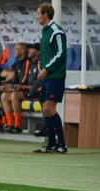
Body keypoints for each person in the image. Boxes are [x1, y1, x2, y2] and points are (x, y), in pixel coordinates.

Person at [33, 2, 67, 154]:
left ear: (46, 15)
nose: (37, 16)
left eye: (39, 13)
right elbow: (49, 52)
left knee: (49, 108)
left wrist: (46, 69)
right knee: (45, 109)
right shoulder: (45, 31)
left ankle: (62, 144)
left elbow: (61, 54)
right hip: (47, 76)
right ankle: (51, 143)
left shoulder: (56, 31)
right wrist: (41, 61)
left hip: (55, 76)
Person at [0, 42, 31, 133]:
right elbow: (15, 81)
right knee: (4, 96)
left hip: (28, 89)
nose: (14, 51)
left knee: (14, 95)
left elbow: (24, 80)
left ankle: (18, 125)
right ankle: (10, 124)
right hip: (19, 89)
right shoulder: (18, 64)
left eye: (16, 49)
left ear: (22, 51)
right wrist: (10, 87)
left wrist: (14, 88)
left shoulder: (27, 62)